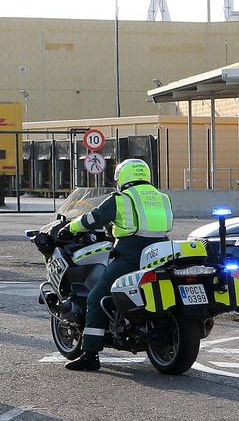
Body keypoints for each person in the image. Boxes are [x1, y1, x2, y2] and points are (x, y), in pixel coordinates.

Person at [63, 158, 173, 372]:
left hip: (132, 252)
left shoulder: (122, 198)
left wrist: (71, 228)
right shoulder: (162, 197)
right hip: (161, 250)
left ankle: (90, 354)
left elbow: (93, 218)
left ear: (123, 176)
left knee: (96, 298)